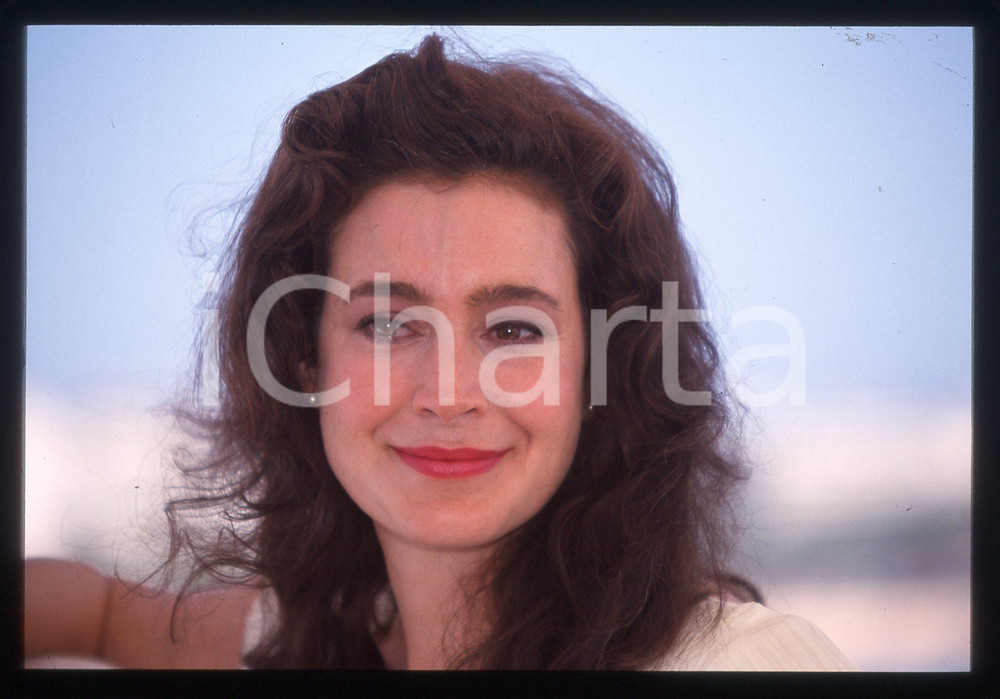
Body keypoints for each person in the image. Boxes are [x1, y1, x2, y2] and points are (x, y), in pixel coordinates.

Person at [24, 34, 856, 670]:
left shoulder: (738, 660)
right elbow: (93, 612)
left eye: (514, 330)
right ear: (303, 360)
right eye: (387, 325)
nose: (450, 392)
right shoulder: (299, 638)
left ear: (601, 365)